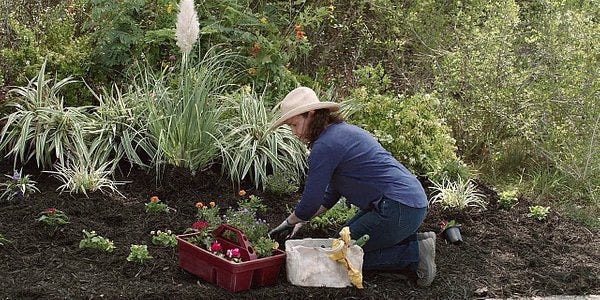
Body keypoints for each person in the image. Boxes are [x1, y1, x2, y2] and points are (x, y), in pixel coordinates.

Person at [267, 86, 436, 286]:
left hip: (399, 207)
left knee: (341, 258)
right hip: (407, 203)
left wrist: (288, 222)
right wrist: (300, 221)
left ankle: (414, 255)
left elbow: (311, 200)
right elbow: (329, 196)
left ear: (311, 115)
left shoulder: (325, 145)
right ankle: (415, 240)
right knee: (340, 242)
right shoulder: (339, 133)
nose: (294, 133)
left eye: (295, 125)